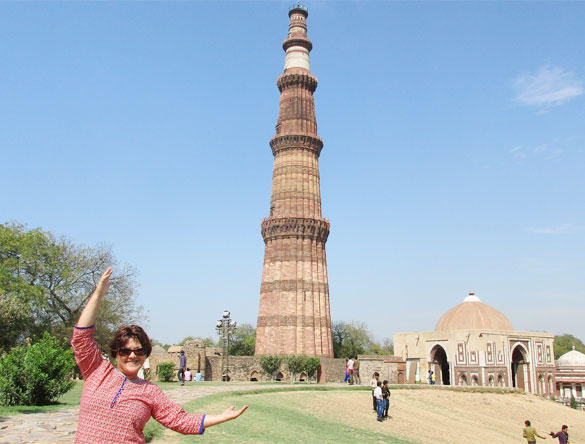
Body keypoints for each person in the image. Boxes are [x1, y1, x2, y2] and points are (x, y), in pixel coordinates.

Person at [72, 268, 247, 444]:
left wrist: (221, 417)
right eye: (125, 351)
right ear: (115, 353)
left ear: (145, 355)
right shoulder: (97, 372)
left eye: (139, 351)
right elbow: (81, 337)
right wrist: (97, 295)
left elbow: (180, 420)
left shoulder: (149, 391)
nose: (132, 356)